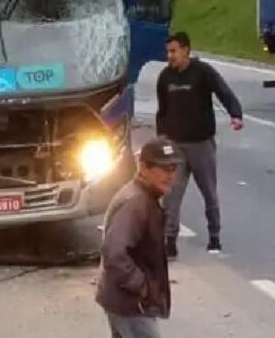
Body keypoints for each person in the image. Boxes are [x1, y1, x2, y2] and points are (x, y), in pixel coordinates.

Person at [156, 32, 243, 258]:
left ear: (186, 50)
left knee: (209, 192)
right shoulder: (165, 78)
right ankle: (170, 241)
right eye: (168, 52)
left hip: (201, 144)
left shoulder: (203, 72)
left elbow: (224, 92)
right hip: (176, 146)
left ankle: (214, 237)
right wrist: (161, 137)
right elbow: (162, 111)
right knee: (172, 194)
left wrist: (235, 114)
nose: (170, 56)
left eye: (174, 51)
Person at [96, 138, 182, 338]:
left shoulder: (145, 198)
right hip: (130, 304)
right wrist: (142, 287)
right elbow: (114, 254)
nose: (170, 176)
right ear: (143, 168)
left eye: (173, 168)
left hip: (124, 301)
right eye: (163, 169)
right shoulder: (136, 202)